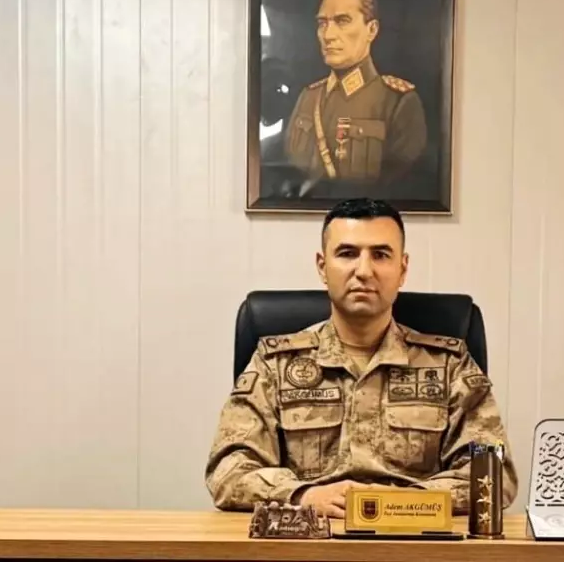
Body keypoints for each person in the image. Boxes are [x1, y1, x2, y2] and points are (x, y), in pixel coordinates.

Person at [204, 198, 516, 517]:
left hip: (413, 538)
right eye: (347, 253)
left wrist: (405, 503)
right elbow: (228, 471)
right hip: (309, 536)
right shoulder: (276, 364)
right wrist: (301, 495)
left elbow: (495, 476)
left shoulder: (449, 365)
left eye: (380, 255)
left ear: (402, 269)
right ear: (322, 267)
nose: (364, 271)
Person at [284, 0, 427, 187]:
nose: (328, 35)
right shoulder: (308, 97)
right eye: (322, 23)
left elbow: (402, 185)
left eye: (342, 21)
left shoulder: (398, 102)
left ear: (372, 30)